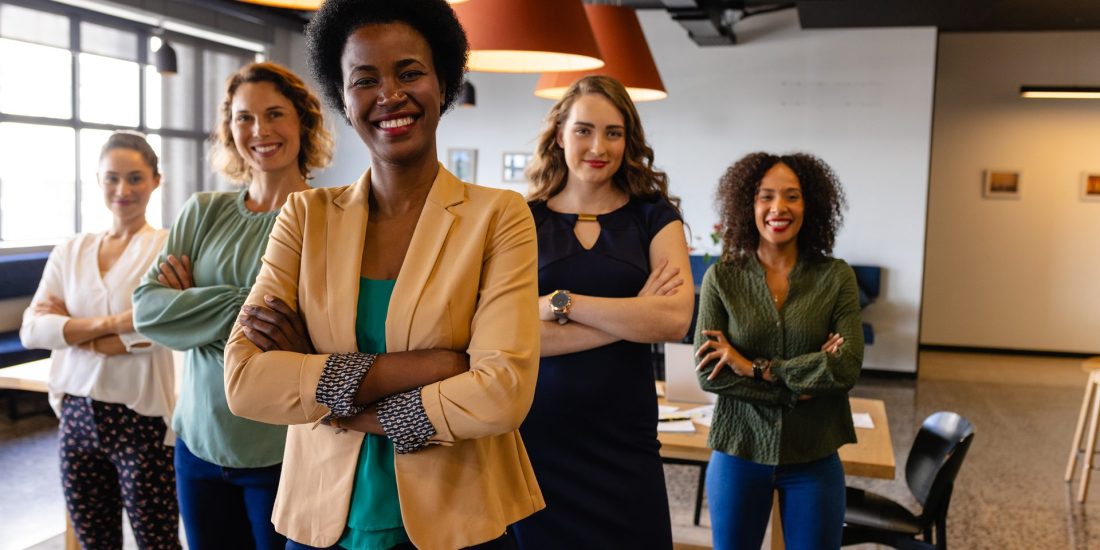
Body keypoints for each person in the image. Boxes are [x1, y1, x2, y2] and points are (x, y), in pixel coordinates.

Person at [222, 1, 543, 549]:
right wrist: (433, 366)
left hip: (455, 519)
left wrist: (329, 391)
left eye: (410, 72)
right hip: (321, 520)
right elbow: (246, 383)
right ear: (345, 101)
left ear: (443, 83)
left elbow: (502, 394)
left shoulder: (498, 215)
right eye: (364, 79)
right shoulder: (305, 217)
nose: (389, 94)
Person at [131, 62, 333, 550]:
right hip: (196, 446)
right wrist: (255, 304)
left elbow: (323, 329)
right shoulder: (203, 210)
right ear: (229, 130)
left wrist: (193, 303)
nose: (259, 131)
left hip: (281, 450)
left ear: (303, 124)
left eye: (274, 114)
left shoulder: (329, 215)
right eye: (244, 118)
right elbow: (148, 310)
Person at [511, 75, 694, 549]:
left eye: (614, 133)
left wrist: (559, 304)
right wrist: (635, 315)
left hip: (625, 435)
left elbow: (674, 320)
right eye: (584, 130)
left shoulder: (654, 215)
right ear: (559, 136)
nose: (599, 146)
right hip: (539, 435)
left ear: (629, 140)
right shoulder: (523, 218)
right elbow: (510, 335)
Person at [693, 152, 864, 550]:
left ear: (811, 205)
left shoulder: (835, 277)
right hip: (739, 452)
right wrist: (804, 382)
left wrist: (752, 367)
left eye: (792, 196)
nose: (778, 208)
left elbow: (846, 368)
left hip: (815, 457)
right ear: (747, 205)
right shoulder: (722, 277)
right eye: (765, 196)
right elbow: (708, 374)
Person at [20, 131, 179, 549]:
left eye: (135, 178)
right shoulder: (72, 250)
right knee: (94, 542)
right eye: (111, 178)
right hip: (76, 416)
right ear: (98, 180)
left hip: (141, 419)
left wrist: (72, 330)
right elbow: (33, 328)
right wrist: (116, 324)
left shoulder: (168, 248)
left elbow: (168, 323)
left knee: (157, 540)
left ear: (155, 181)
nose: (122, 190)